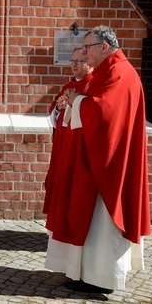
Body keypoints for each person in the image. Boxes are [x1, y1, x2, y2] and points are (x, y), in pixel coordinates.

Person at [44, 26, 151, 294]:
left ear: (104, 46)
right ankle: (87, 273)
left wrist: (78, 100)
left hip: (109, 164)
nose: (85, 56)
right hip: (99, 158)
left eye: (88, 49)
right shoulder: (111, 70)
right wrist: (75, 101)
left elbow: (104, 114)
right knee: (89, 222)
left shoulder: (118, 72)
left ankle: (102, 278)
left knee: (103, 223)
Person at [43, 47, 94, 221]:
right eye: (72, 61)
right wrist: (59, 107)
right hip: (62, 144)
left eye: (79, 61)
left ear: (90, 62)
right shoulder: (69, 85)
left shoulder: (92, 85)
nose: (74, 65)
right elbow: (55, 113)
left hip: (78, 146)